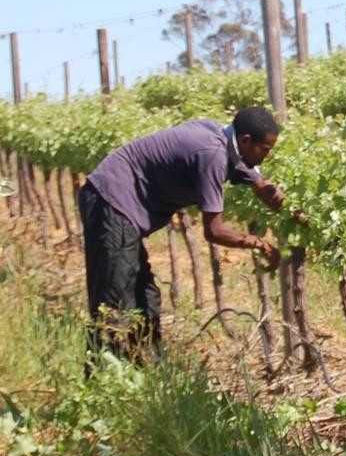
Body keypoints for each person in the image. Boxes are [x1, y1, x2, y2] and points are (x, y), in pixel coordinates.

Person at [78, 106, 286, 363]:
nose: (268, 155)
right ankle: (101, 378)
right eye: (265, 149)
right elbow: (214, 231)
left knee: (146, 298)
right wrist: (259, 244)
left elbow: (261, 187)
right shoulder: (212, 155)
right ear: (246, 140)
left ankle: (146, 371)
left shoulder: (223, 137)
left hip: (120, 207)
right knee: (113, 299)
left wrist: (298, 214)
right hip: (110, 201)